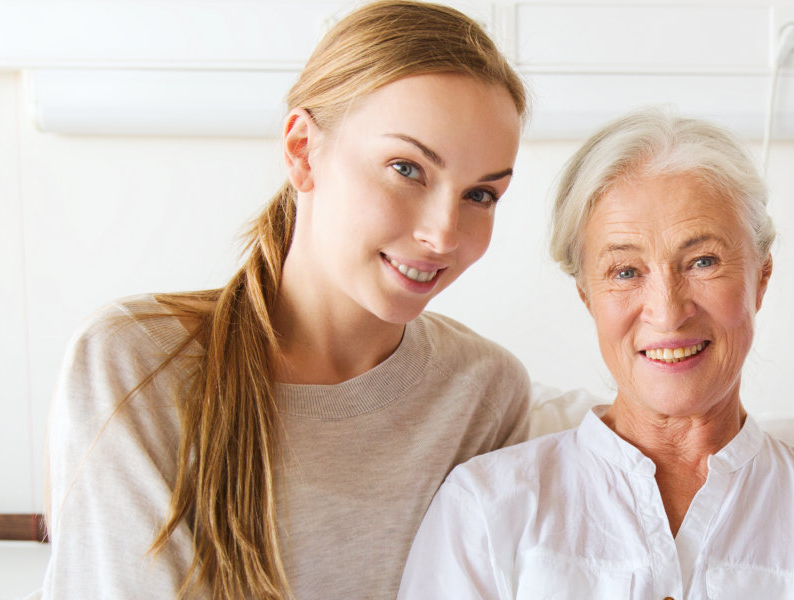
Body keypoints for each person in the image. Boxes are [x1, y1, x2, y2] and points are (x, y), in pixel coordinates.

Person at [42, 2, 531, 598]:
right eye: (407, 168)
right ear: (302, 150)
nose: (444, 234)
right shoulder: (137, 360)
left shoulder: (485, 390)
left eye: (481, 195)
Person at [397, 108, 794, 599]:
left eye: (702, 261)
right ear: (587, 295)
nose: (667, 311)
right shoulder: (486, 510)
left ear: (760, 278)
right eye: (625, 272)